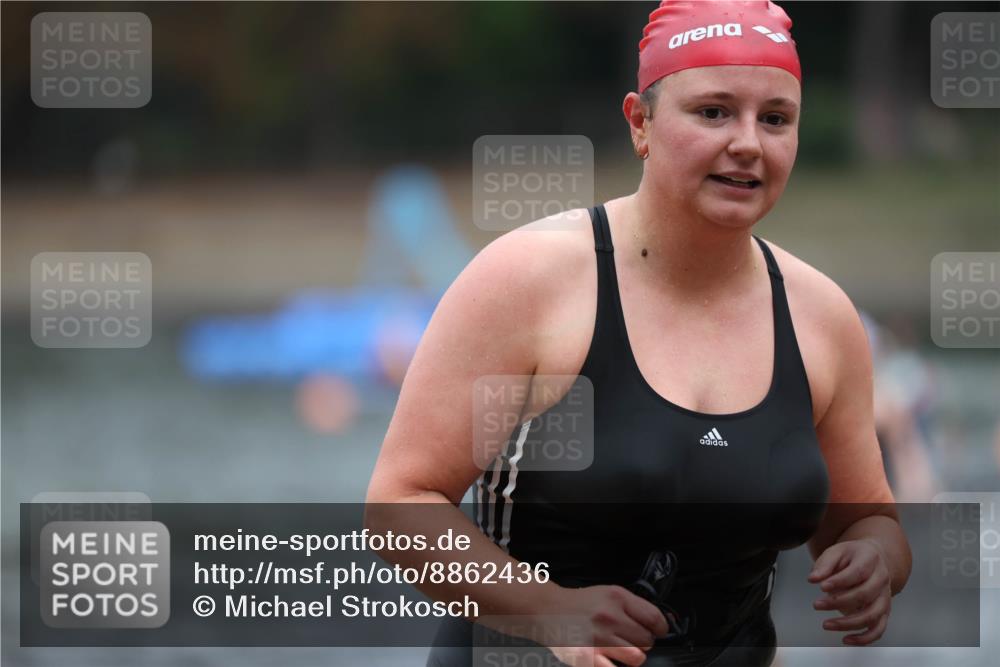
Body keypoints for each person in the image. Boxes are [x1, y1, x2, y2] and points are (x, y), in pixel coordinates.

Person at [365, 2, 912, 665]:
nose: (748, 142)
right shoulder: (529, 282)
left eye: (775, 119)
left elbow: (866, 517)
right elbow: (401, 504)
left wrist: (875, 558)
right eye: (713, 111)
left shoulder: (822, 316)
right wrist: (548, 610)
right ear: (640, 122)